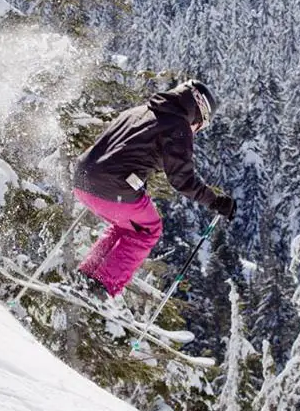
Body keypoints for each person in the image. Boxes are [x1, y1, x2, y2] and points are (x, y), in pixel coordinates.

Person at [72, 80, 236, 299]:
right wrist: (216, 201)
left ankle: (87, 277)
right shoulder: (178, 126)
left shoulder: (140, 111)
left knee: (128, 227)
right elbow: (182, 179)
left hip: (82, 179)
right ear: (198, 114)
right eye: (201, 125)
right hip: (112, 187)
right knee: (149, 229)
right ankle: (100, 285)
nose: (197, 131)